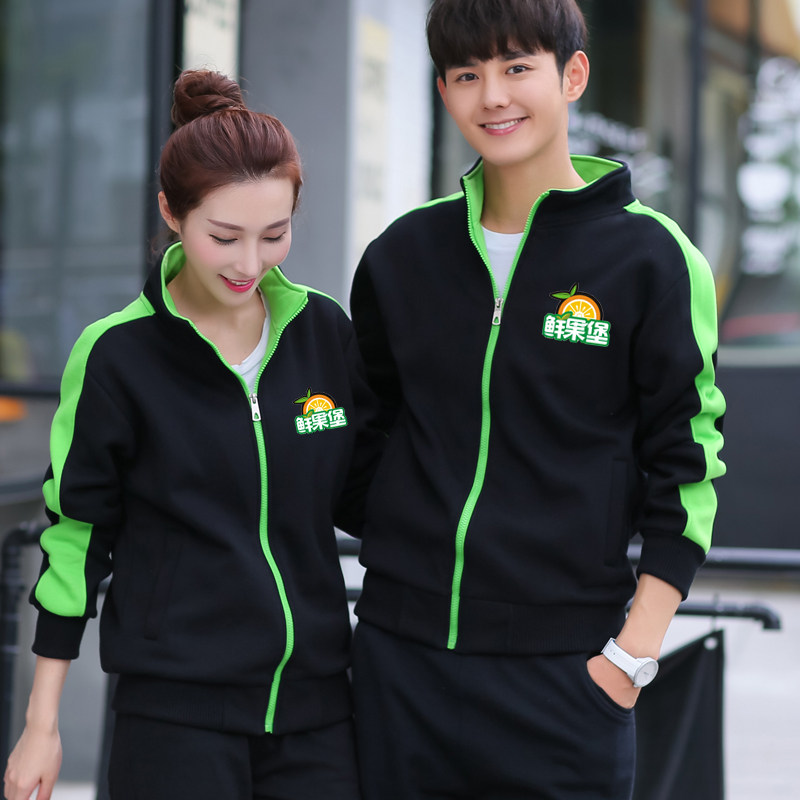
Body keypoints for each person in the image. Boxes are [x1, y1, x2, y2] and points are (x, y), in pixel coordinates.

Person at [348, 1, 726, 798]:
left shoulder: (652, 260)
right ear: (443, 90)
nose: (492, 96)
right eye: (466, 74)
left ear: (573, 74)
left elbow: (686, 470)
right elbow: (364, 432)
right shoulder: (402, 255)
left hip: (565, 682)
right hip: (399, 668)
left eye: (517, 67)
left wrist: (628, 659)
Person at [4, 69, 380, 800]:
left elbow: (371, 493)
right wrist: (41, 723)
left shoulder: (322, 332)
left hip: (317, 714)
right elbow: (76, 537)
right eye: (225, 237)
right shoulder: (117, 354)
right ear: (171, 214)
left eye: (275, 234)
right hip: (175, 720)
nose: (250, 263)